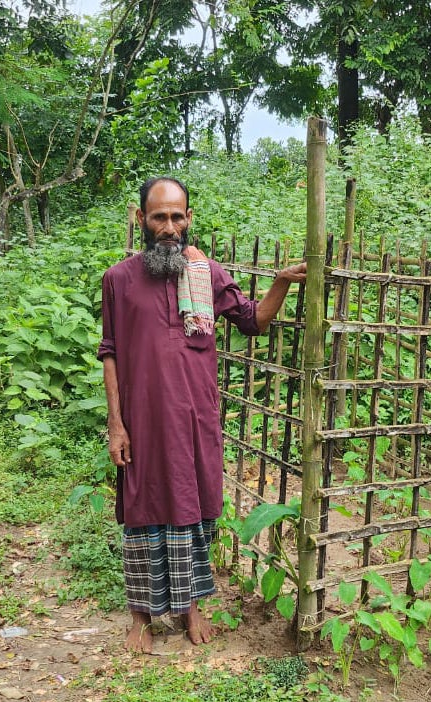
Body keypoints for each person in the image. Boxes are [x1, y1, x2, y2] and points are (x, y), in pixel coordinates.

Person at [98, 177, 306, 653]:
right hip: (143, 422)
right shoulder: (119, 279)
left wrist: (279, 283)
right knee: (142, 513)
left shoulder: (207, 274)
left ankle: (192, 610)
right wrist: (117, 424)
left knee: (192, 512)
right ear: (141, 220)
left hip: (193, 421)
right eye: (159, 217)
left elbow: (253, 321)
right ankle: (142, 618)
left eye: (177, 217)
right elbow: (109, 351)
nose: (169, 227)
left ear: (189, 219)